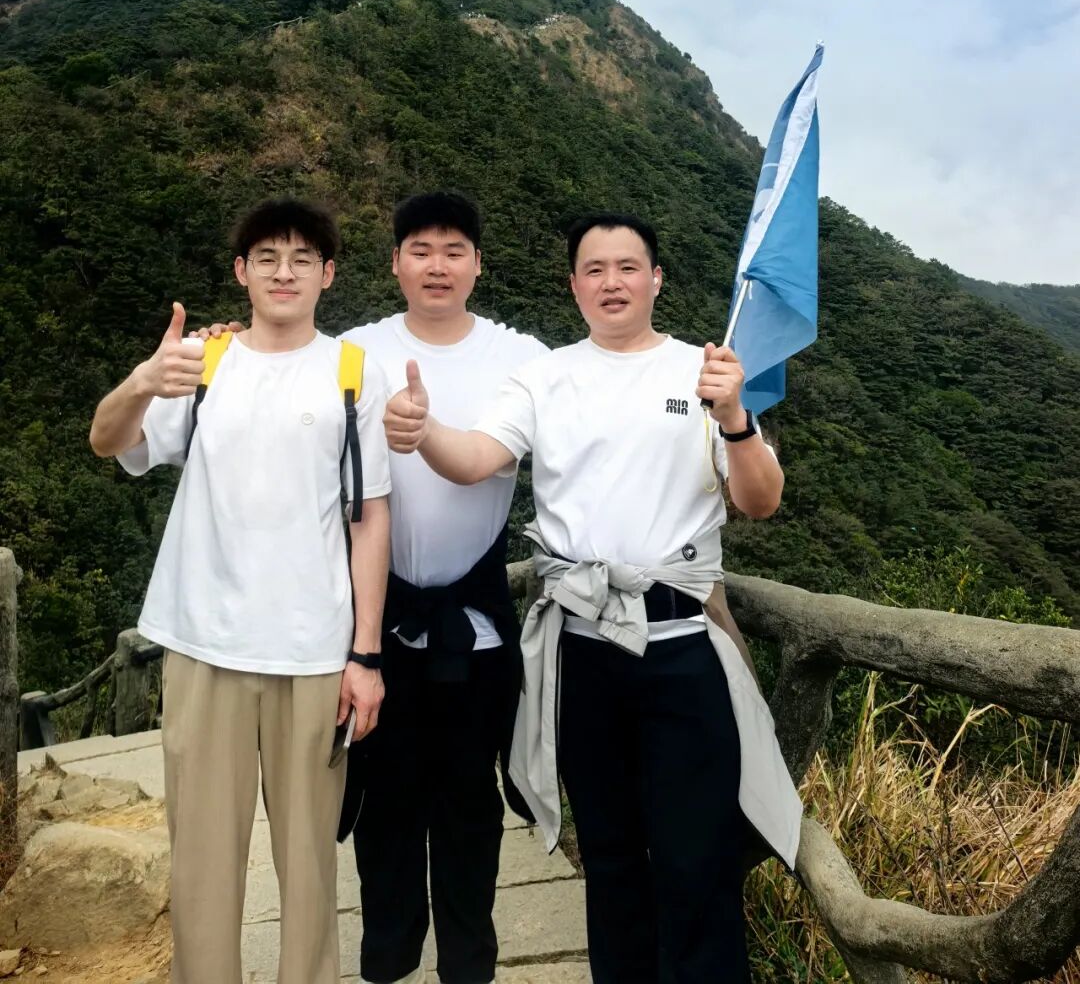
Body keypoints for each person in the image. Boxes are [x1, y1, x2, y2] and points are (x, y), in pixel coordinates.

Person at [385, 211, 803, 984]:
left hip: (683, 647)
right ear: (574, 285)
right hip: (581, 650)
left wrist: (736, 419)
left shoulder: (706, 370)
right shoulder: (545, 377)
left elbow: (760, 499)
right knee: (609, 856)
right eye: (595, 269)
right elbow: (475, 458)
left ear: (656, 279)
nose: (612, 282)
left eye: (628, 267)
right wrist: (422, 430)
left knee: (696, 857)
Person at [89, 198, 392, 984]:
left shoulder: (354, 372)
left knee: (311, 866)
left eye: (302, 259)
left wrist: (365, 656)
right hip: (202, 643)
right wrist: (143, 380)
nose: (284, 272)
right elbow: (107, 439)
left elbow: (368, 520)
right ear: (241, 271)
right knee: (201, 865)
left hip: (314, 652)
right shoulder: (201, 361)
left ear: (328, 275)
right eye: (267, 258)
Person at [341, 191, 547, 984]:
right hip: (376, 624)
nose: (437, 265)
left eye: (454, 250)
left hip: (477, 624)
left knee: (469, 805)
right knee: (383, 804)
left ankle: (469, 967)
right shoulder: (353, 352)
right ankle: (388, 963)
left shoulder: (521, 357)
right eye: (420, 249)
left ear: (478, 264)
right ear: (394, 262)